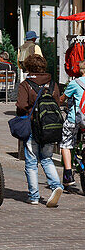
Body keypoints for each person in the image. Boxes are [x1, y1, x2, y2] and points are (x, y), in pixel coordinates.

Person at [15, 54, 63, 207]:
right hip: (50, 127)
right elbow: (57, 103)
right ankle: (56, 186)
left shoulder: (26, 84)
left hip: (32, 127)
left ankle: (34, 196)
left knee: (31, 163)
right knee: (47, 159)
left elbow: (21, 105)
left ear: (28, 68)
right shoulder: (53, 83)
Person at [59, 57, 85, 189]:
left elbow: (63, 99)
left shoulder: (75, 83)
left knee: (66, 144)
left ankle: (68, 175)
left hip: (76, 119)